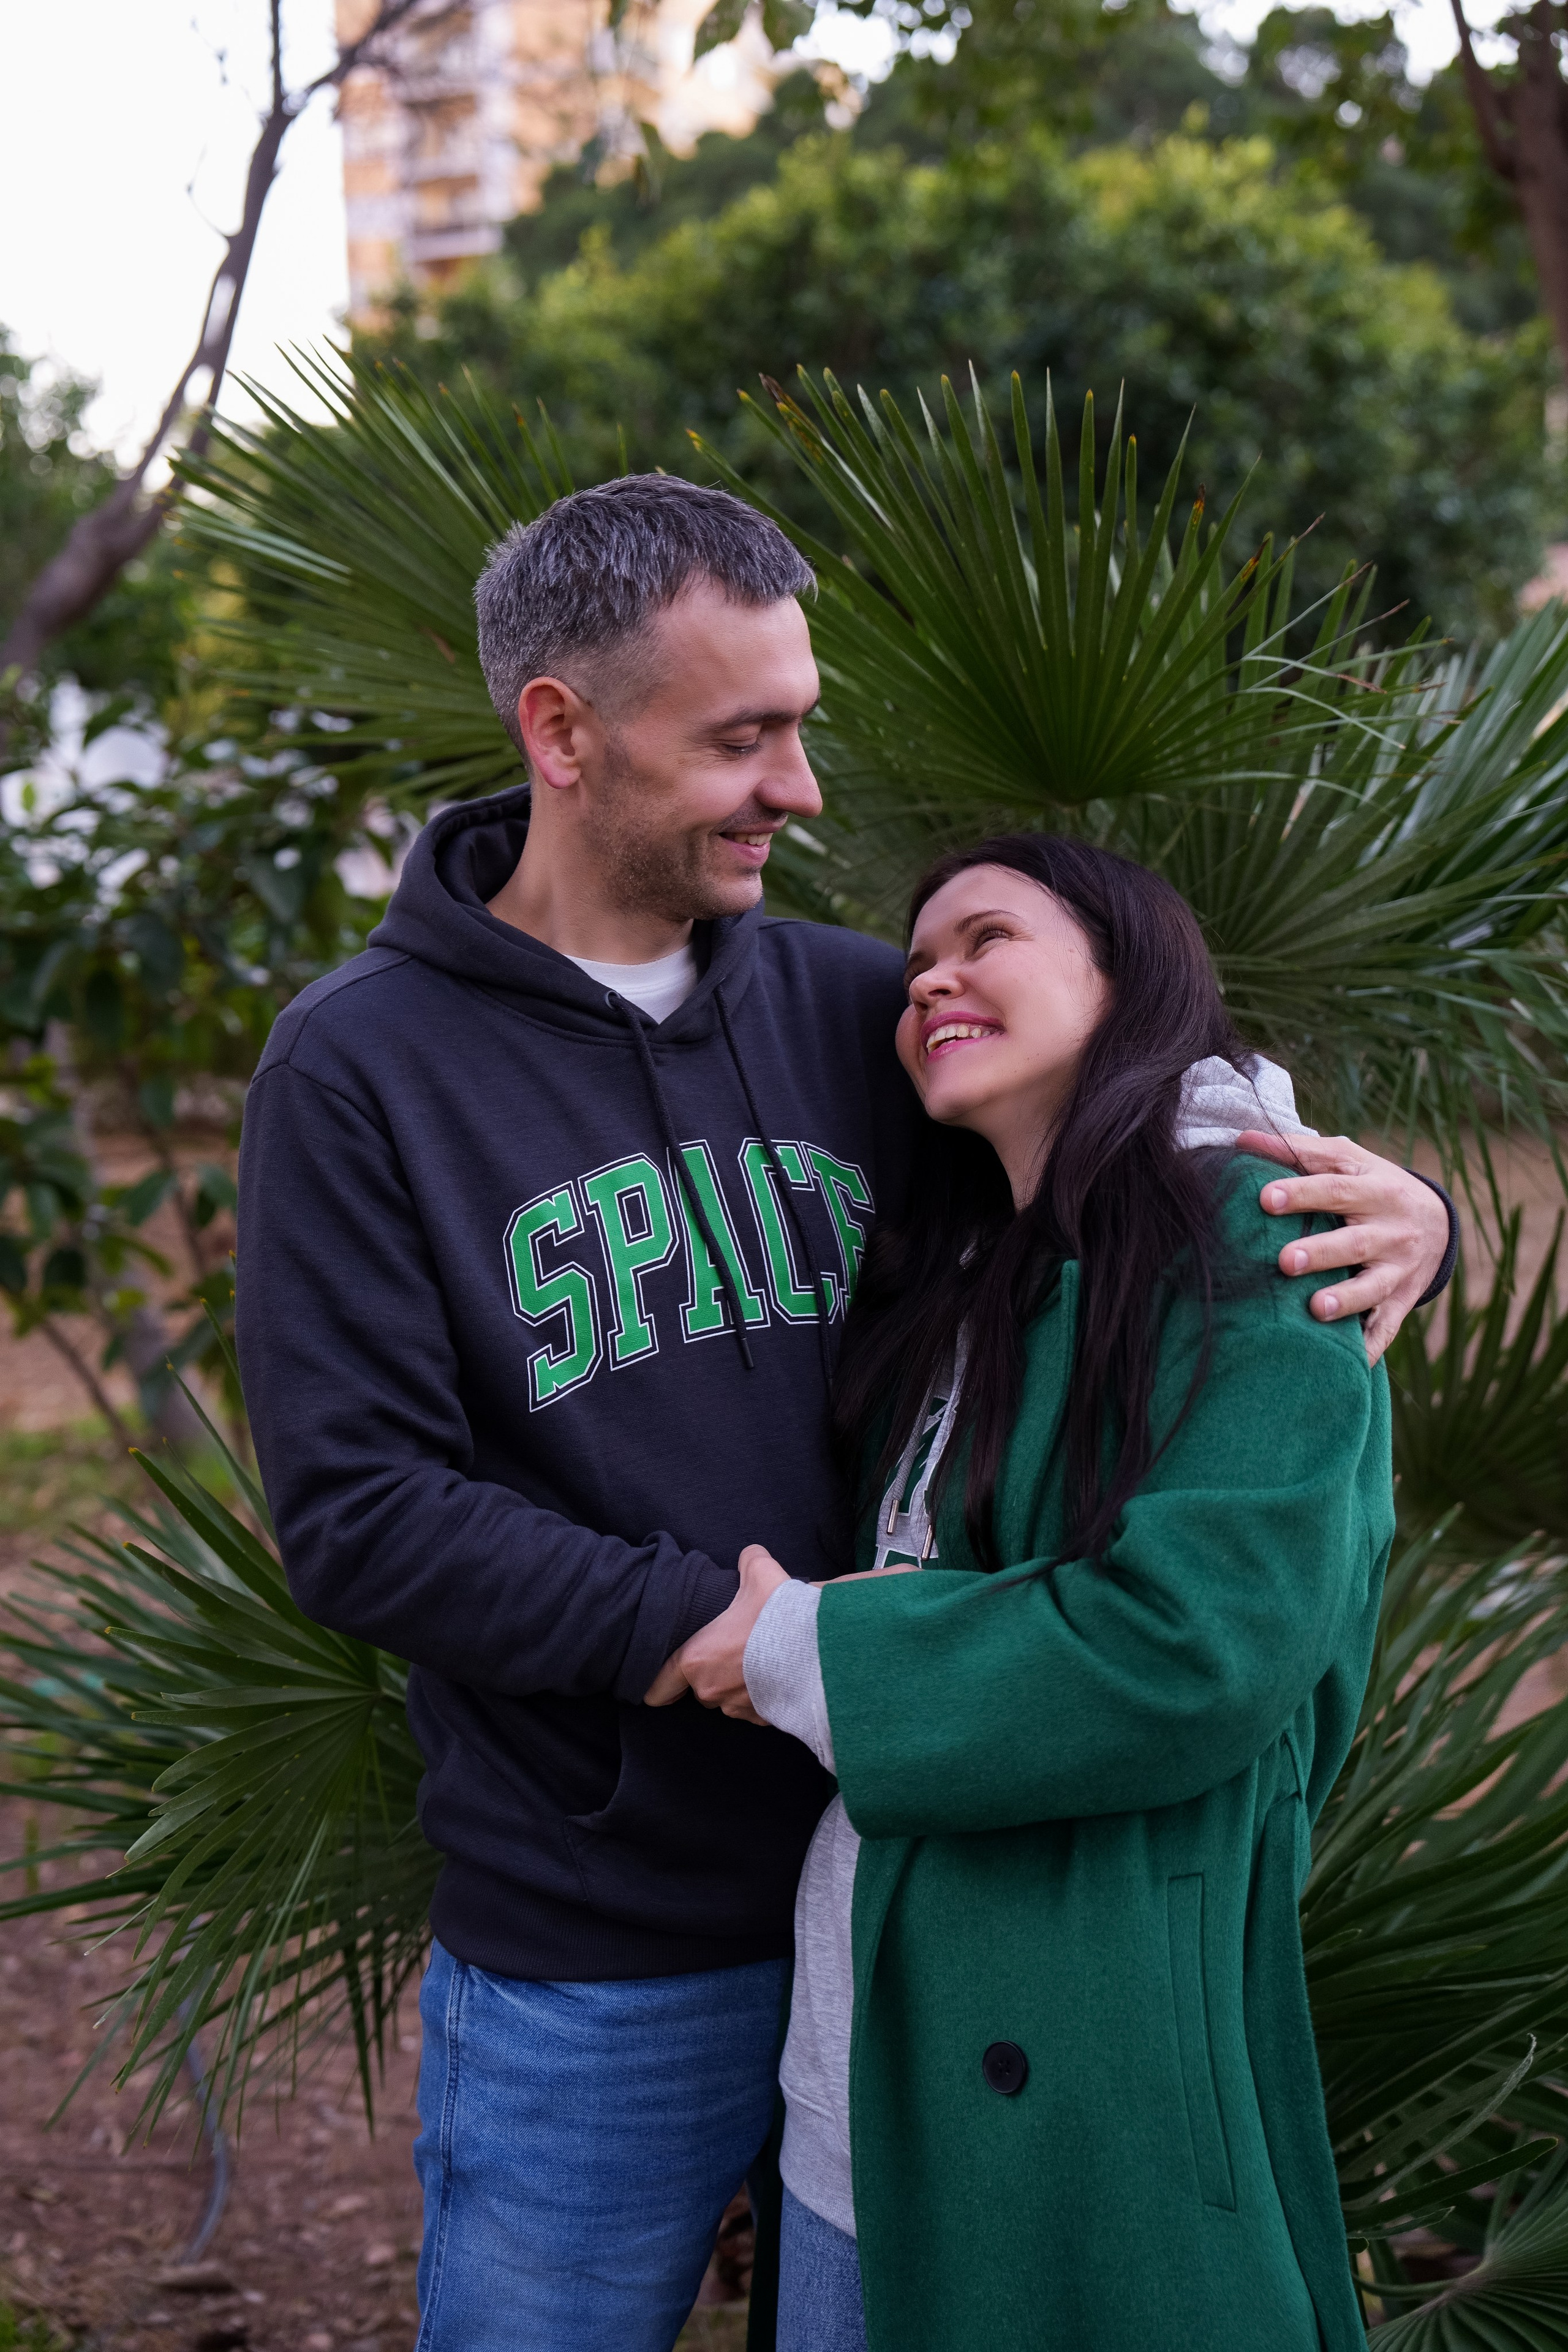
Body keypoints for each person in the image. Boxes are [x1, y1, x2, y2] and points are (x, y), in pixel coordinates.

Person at [235, 479, 1452, 2352]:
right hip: (601, 1936)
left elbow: (1110, 1135)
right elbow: (365, 1514)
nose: (799, 788)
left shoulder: (851, 1006)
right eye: (745, 737)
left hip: (927, 1906)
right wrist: (719, 1641)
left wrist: (1385, 1212)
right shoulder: (360, 1069)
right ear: (562, 730)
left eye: (801, 724)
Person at [657, 834, 1401, 2352]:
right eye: (916, 960)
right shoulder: (970, 1267)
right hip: (855, 2093)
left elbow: (1187, 1644)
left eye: (985, 936)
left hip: (1078, 2085)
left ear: (1125, 978)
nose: (932, 976)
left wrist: (801, 1645)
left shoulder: (1260, 1242)